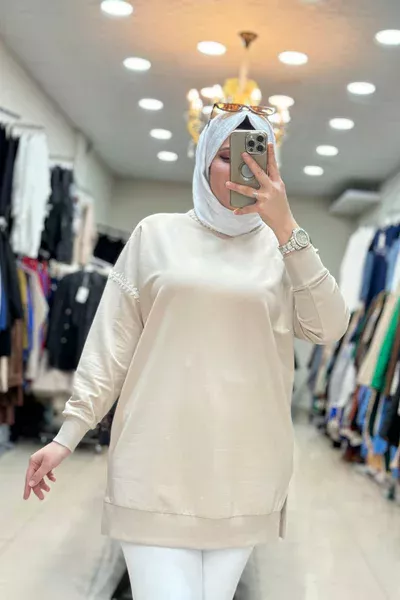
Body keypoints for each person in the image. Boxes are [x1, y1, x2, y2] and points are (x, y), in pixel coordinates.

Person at [23, 108, 349, 600]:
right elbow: (111, 344)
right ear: (204, 160)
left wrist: (287, 230)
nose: (243, 169)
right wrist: (67, 435)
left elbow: (330, 326)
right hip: (154, 464)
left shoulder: (282, 251)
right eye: (227, 156)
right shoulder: (155, 234)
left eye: (258, 157)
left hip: (246, 470)